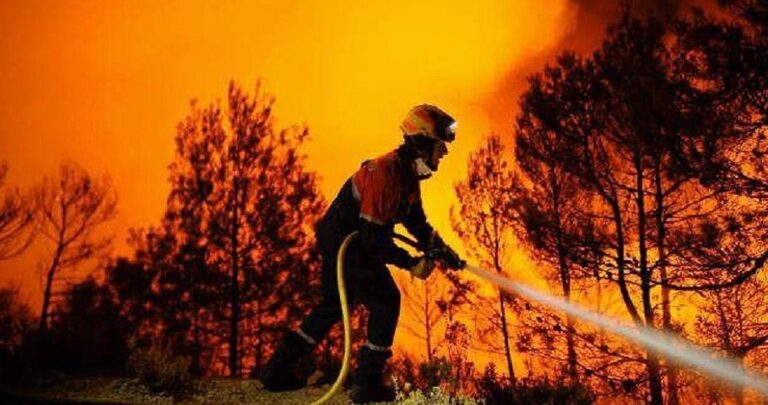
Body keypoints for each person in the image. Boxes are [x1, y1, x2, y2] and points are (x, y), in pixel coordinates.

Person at [260, 104, 465, 403]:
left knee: (332, 306)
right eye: (440, 145)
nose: (444, 152)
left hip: (348, 240)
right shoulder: (385, 173)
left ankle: (277, 369)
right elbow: (372, 241)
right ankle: (366, 383)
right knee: (386, 300)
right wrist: (411, 263)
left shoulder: (406, 177)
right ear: (422, 143)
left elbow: (417, 224)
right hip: (346, 242)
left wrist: (443, 251)